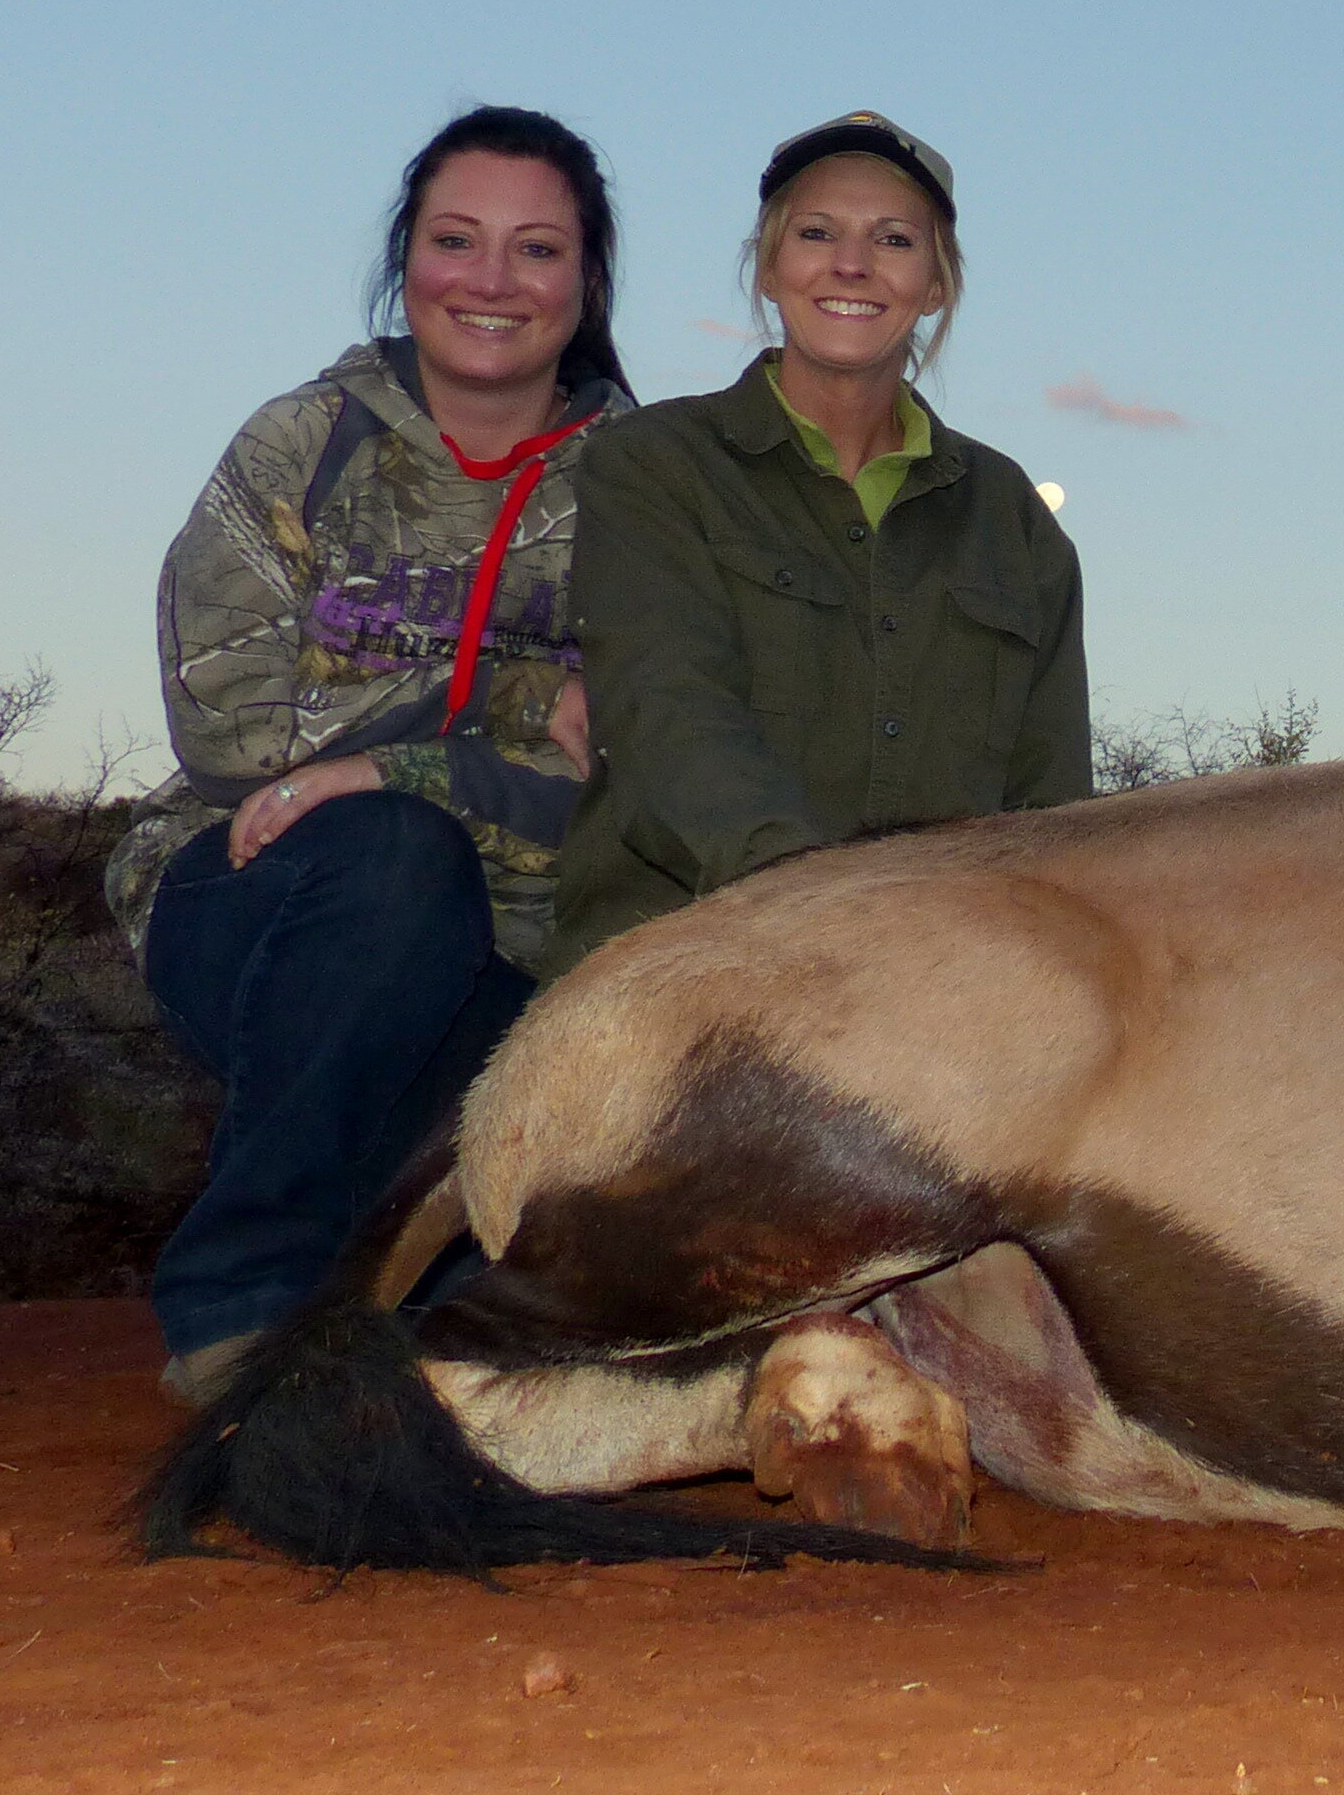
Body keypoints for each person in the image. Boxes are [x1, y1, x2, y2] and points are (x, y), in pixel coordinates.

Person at [104, 106, 633, 1403]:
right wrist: (514, 734)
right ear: (407, 260)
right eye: (457, 241)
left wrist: (402, 763)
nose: (492, 283)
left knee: (528, 1214)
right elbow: (230, 728)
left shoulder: (649, 488)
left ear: (587, 281)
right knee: (397, 865)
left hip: (518, 938)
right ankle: (243, 1302)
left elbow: (642, 764)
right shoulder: (300, 443)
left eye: (537, 251)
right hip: (263, 884)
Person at [547, 109, 1090, 974]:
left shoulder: (1013, 519)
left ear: (938, 283)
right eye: (816, 232)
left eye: (894, 240)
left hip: (945, 989)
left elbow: (1053, 808)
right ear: (769, 268)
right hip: (677, 970)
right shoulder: (651, 466)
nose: (851, 264)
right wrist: (820, 907)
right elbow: (665, 718)